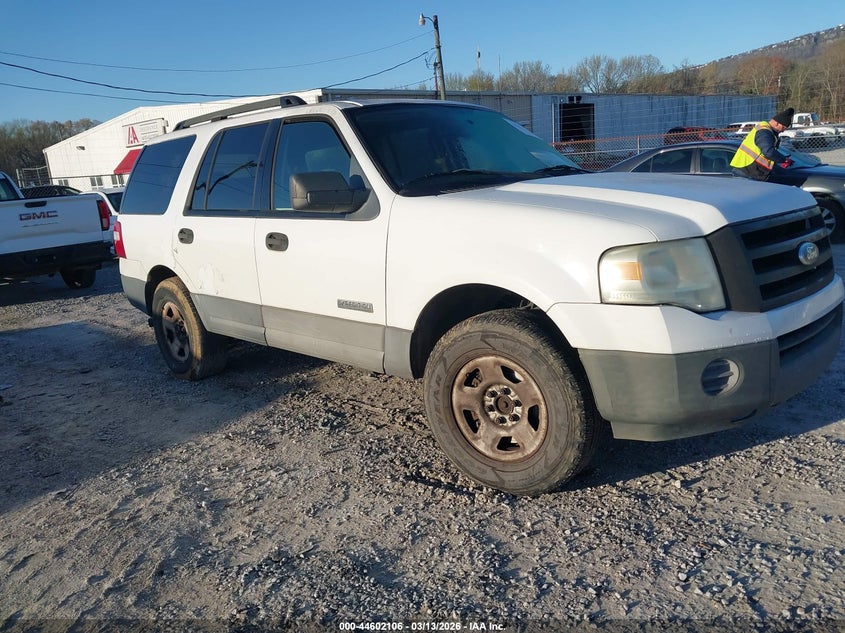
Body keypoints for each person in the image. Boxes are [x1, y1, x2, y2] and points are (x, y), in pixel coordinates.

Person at [730, 107, 795, 181]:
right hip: (747, 171)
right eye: (783, 128)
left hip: (748, 170)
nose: (782, 131)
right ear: (777, 123)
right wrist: (783, 159)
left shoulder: (765, 130)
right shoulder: (764, 132)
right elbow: (768, 152)